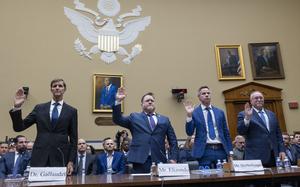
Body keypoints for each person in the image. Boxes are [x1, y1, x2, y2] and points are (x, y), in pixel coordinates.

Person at [9, 78, 78, 175]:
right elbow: (19, 127)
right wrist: (17, 107)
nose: (57, 88)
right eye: (54, 86)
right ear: (51, 89)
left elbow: (74, 139)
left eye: (60, 86)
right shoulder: (40, 108)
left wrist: (71, 161)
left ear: (64, 89)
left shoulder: (71, 111)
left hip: (61, 156)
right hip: (40, 155)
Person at [113, 88, 178, 173]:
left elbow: (173, 140)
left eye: (152, 100)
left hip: (159, 159)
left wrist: (173, 158)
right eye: (147, 100)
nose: (150, 102)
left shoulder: (164, 119)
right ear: (142, 104)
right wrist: (118, 101)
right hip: (140, 160)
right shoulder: (134, 117)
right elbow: (117, 119)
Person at [184, 86, 233, 169]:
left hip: (220, 149)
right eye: (203, 93)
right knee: (205, 177)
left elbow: (226, 133)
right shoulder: (195, 112)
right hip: (204, 150)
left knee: (224, 176)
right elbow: (189, 132)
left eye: (208, 93)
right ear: (199, 97)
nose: (206, 95)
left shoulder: (219, 112)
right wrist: (189, 115)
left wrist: (230, 152)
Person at [237, 91, 285, 167]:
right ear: (251, 101)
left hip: (274, 156)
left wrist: (282, 150)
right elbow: (241, 131)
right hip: (255, 156)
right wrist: (247, 118)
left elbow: (278, 134)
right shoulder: (243, 114)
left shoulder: (272, 114)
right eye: (256, 98)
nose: (259, 99)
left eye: (261, 98)